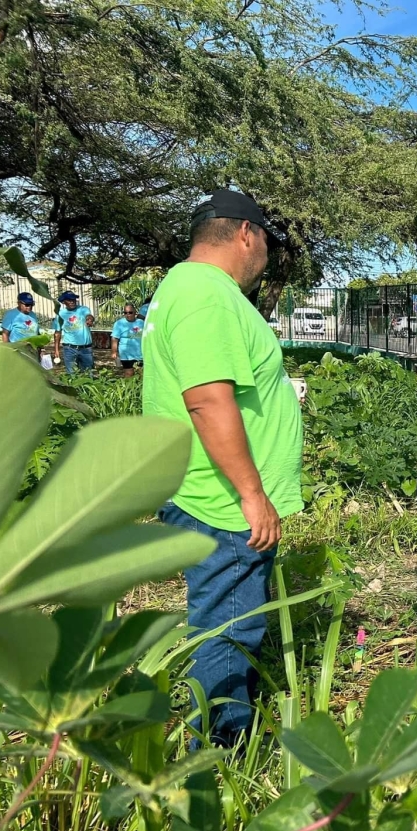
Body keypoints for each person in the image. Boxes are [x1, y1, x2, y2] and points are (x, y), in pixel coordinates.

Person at [144, 188, 302, 747]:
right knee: (229, 629)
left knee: (222, 621)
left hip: (208, 493)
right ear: (245, 234)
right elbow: (207, 400)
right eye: (266, 244)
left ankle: (213, 752)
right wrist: (251, 492)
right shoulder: (206, 294)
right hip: (223, 502)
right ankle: (216, 761)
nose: (266, 257)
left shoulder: (186, 289)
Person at [53, 291, 95, 373]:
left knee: (88, 373)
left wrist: (90, 320)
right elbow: (57, 333)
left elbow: (89, 316)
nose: (72, 301)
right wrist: (56, 350)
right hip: (69, 348)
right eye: (69, 300)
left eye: (73, 299)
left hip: (86, 348)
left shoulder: (83, 309)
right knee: (72, 374)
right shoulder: (61, 314)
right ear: (63, 302)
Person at [110, 303, 146, 376]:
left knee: (141, 374)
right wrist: (114, 351)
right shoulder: (119, 323)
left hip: (139, 354)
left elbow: (146, 337)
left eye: (130, 312)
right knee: (129, 374)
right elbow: (115, 338)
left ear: (135, 312)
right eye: (125, 313)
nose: (128, 314)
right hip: (126, 354)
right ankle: (128, 387)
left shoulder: (141, 322)